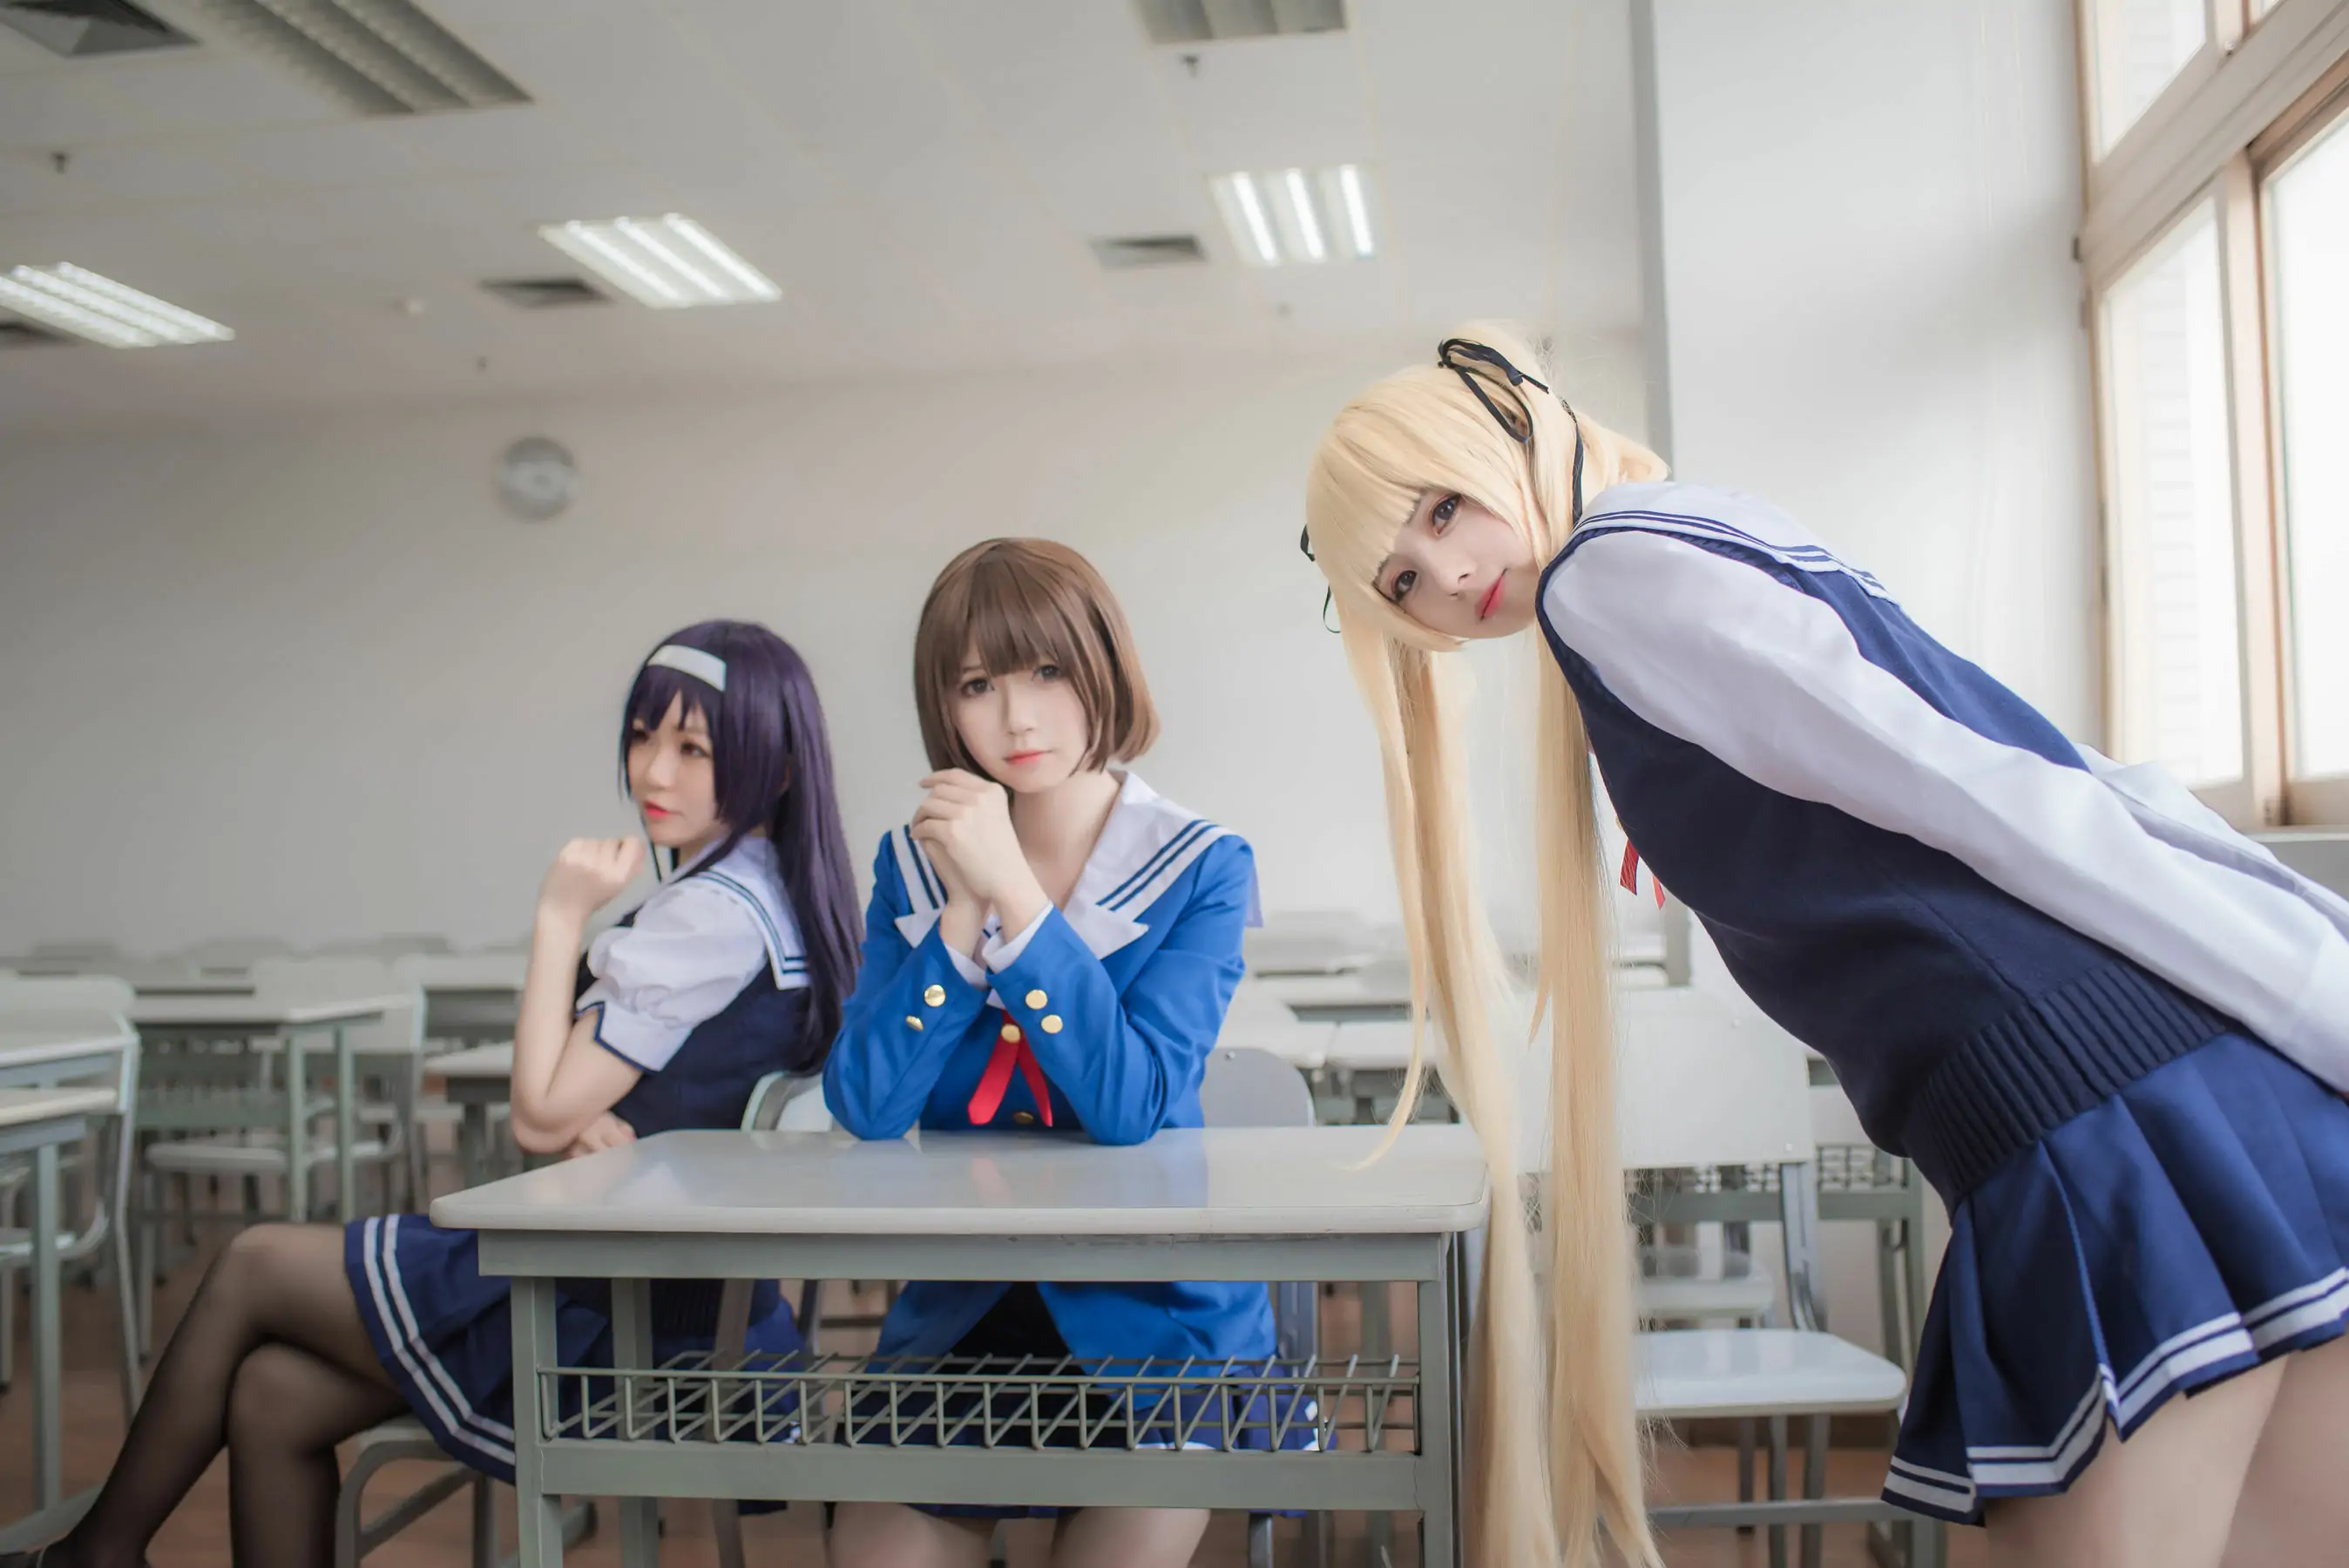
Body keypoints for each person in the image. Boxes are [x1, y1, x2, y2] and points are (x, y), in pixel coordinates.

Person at [1297, 323, 2349, 1567]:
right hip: (2196, 1092)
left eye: (1440, 510)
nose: (1444, 571)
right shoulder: (1681, 541)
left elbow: (1975, 784)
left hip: (2096, 1119)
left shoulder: (1606, 576)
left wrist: (2309, 987)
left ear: (1510, 433)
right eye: (1400, 582)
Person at [13, 620, 861, 1568]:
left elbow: (536, 1113)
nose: (653, 772)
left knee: (251, 1261)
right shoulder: (771, 896)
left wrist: (558, 915)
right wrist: (598, 1123)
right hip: (672, 1302)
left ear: (777, 767)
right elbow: (611, 1105)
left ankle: (96, 1555)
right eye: (640, 736)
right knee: (271, 1398)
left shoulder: (704, 915)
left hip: (614, 1319)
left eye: (693, 748)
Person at [823, 537, 1278, 1568]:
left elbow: (1131, 1105)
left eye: (1044, 672)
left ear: (1102, 669)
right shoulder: (910, 863)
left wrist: (1018, 900)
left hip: (1155, 1321)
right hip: (964, 1312)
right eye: (977, 685)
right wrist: (962, 909)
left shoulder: (1202, 864)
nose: (1017, 719)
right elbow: (864, 1104)